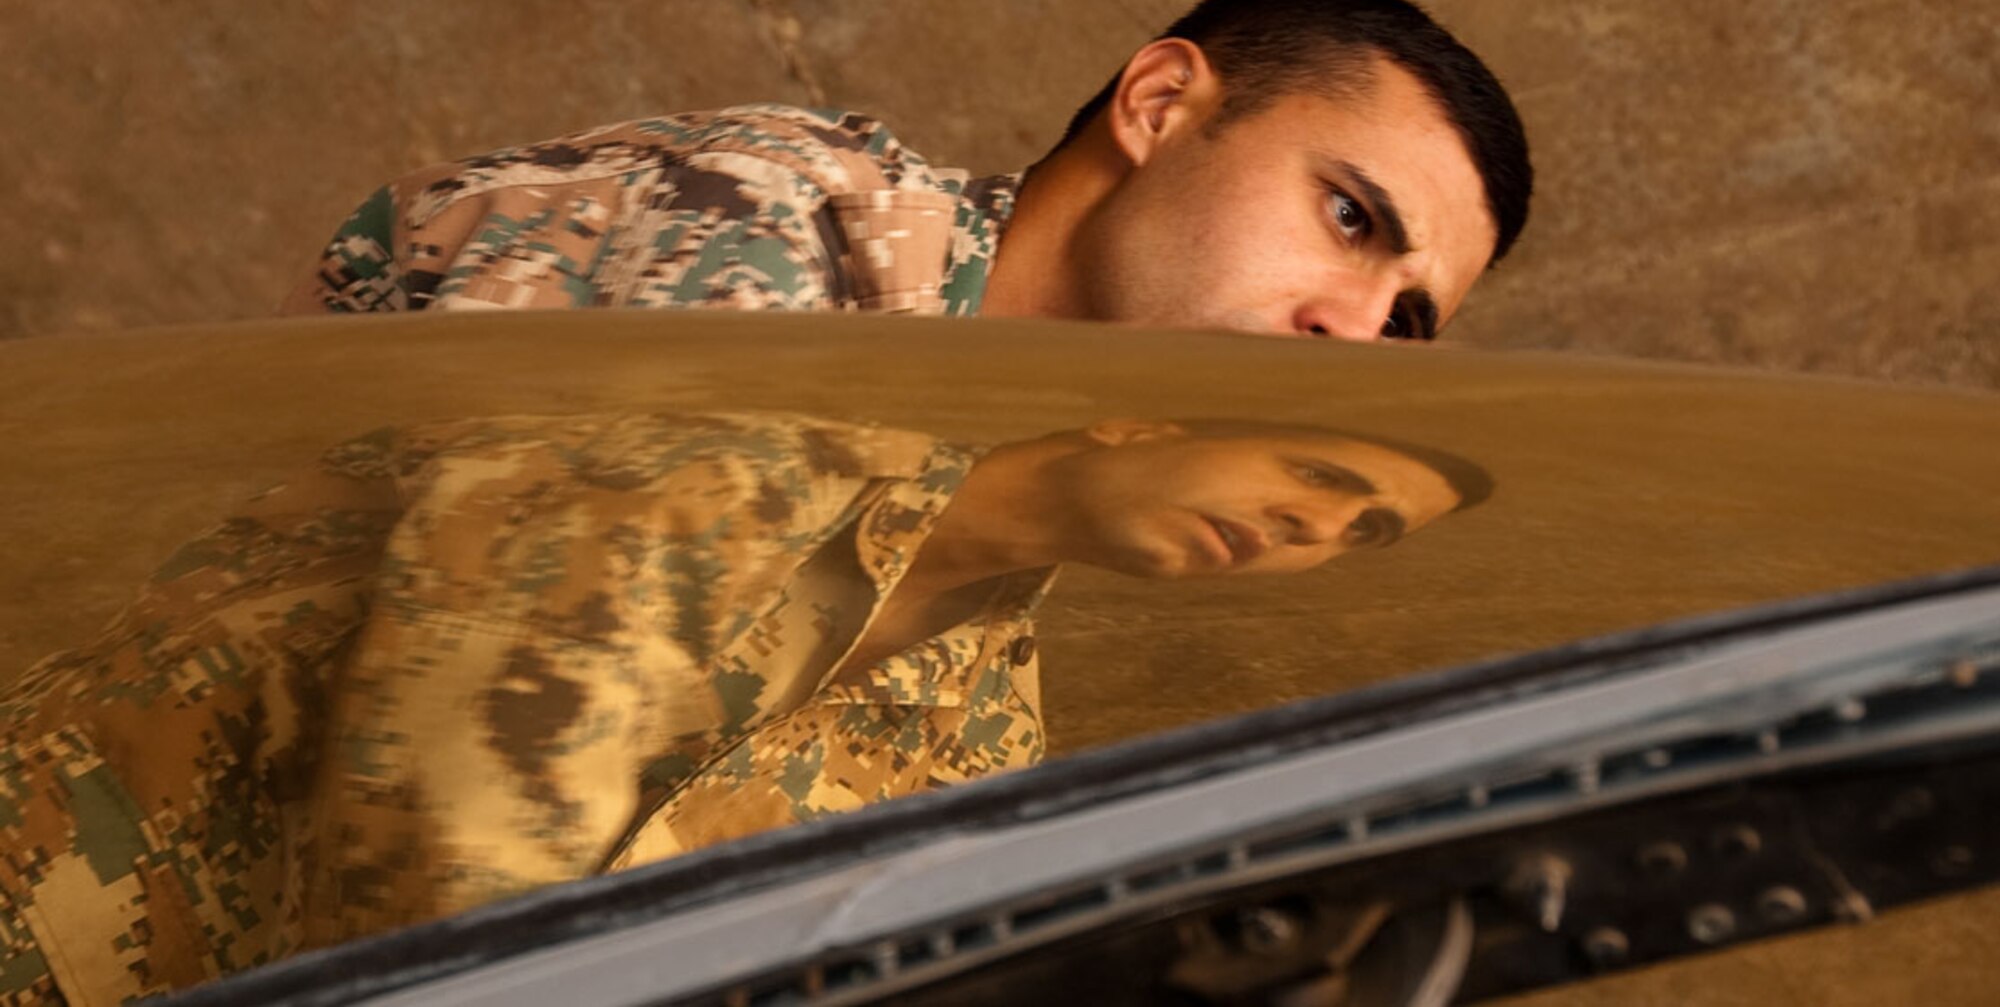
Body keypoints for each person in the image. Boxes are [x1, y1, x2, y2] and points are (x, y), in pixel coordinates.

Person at [0, 410, 1488, 1004]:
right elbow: (447, 820)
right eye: (1320, 478)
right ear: (1142, 412)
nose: (1310, 527)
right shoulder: (714, 438)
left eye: (1358, 533)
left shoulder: (986, 750)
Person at [281, 0, 1532, 342]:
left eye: (1405, 325)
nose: (1352, 335)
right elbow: (494, 755)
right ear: (1157, 106)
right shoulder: (775, 227)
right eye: (1351, 219)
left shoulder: (994, 571)